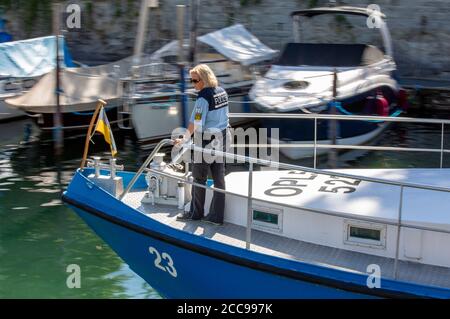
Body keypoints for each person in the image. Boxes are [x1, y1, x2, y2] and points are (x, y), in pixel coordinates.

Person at [174, 64, 230, 226]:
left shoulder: (203, 98)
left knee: (199, 178)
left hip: (205, 141)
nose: (193, 84)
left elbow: (196, 123)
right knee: (219, 178)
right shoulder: (222, 92)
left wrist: (183, 140)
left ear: (204, 79)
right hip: (222, 137)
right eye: (191, 80)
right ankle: (217, 217)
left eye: (195, 80)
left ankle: (195, 214)